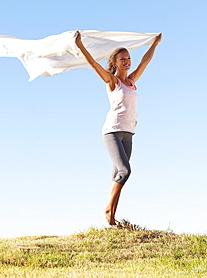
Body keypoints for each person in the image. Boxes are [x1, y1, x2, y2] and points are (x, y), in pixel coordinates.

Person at [75, 30, 162, 227]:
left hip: (129, 133)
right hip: (112, 132)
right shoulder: (112, 82)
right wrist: (80, 46)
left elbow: (145, 62)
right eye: (123, 59)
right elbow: (94, 64)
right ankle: (107, 210)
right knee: (124, 171)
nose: (127, 61)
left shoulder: (131, 81)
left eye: (128, 58)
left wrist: (154, 44)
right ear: (115, 63)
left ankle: (112, 218)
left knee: (117, 175)